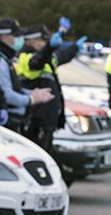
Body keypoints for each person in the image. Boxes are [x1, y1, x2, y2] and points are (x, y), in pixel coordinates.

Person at [16, 23, 79, 153]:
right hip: (35, 120)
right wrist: (50, 47)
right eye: (43, 40)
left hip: (47, 119)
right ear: (30, 40)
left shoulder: (48, 56)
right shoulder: (25, 57)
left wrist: (74, 48)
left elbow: (61, 55)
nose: (45, 42)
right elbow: (37, 61)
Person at [0, 19, 54, 132]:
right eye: (16, 35)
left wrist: (32, 93)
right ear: (4, 37)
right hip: (7, 120)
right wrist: (31, 99)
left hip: (15, 119)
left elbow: (14, 88)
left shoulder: (6, 58)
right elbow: (7, 95)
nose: (20, 39)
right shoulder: (0, 60)